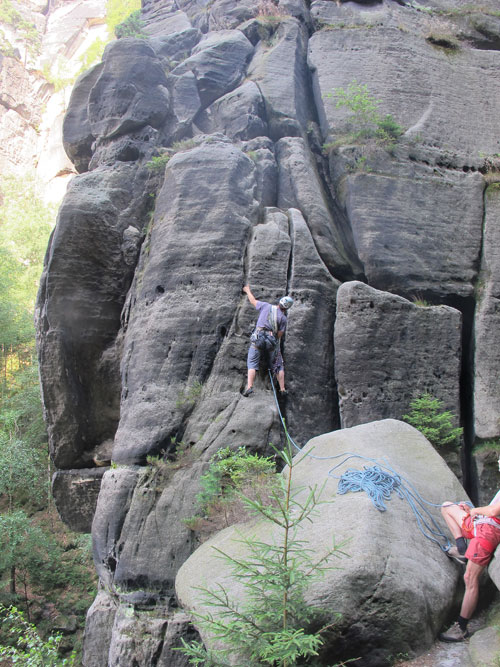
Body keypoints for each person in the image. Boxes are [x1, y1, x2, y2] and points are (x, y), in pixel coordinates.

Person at [439, 488, 500, 642]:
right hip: (481, 523)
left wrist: (474, 511)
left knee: (470, 578)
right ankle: (462, 549)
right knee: (447, 507)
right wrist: (473, 512)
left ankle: (461, 627)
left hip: (489, 532)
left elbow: (493, 511)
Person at [241, 284, 293, 398]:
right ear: (287, 308)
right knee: (278, 364)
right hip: (271, 340)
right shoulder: (283, 319)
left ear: (279, 302)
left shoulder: (265, 306)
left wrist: (247, 290)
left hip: (258, 337)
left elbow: (253, 301)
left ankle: (249, 387)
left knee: (252, 363)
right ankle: (282, 389)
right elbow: (279, 334)